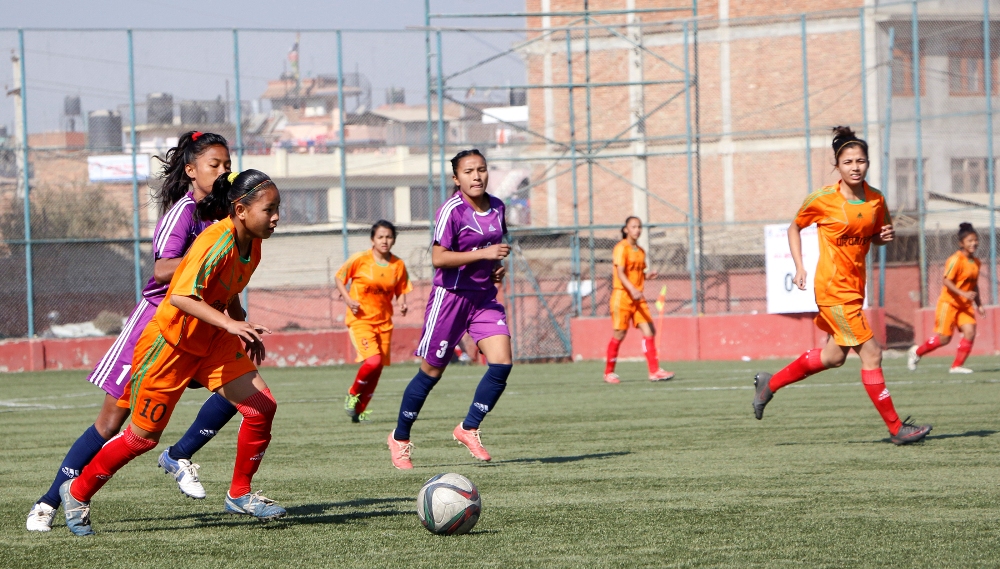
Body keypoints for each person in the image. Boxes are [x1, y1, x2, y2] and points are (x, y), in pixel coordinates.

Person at [26, 132, 240, 532]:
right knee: (111, 424)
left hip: (200, 325)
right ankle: (49, 502)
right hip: (155, 327)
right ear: (191, 170)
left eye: (228, 165)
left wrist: (235, 314)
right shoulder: (184, 212)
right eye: (216, 165)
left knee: (244, 393)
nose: (224, 171)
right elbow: (161, 270)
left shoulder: (224, 216)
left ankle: (179, 454)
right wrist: (202, 257)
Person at [59, 169, 284, 536]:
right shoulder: (216, 241)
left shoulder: (254, 242)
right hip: (171, 345)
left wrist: (240, 322)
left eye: (278, 208)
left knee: (262, 407)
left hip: (211, 340)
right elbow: (180, 295)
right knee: (142, 438)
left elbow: (227, 287)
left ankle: (239, 494)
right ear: (241, 209)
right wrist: (230, 324)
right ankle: (78, 491)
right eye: (269, 209)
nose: (276, 217)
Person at [752, 126, 932, 445]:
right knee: (872, 354)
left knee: (834, 357)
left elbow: (872, 236)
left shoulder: (876, 200)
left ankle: (769, 384)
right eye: (848, 161)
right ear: (838, 165)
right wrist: (799, 267)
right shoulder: (823, 199)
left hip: (854, 289)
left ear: (867, 163)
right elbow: (794, 228)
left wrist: (881, 238)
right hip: (833, 290)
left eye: (860, 160)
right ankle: (896, 429)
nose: (855, 166)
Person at [387, 149, 512, 469]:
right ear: (456, 179)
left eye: (481, 169)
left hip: (483, 297)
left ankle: (469, 427)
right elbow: (439, 258)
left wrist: (497, 267)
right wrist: (485, 255)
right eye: (468, 171)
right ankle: (400, 438)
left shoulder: (498, 207)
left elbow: (495, 252)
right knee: (432, 372)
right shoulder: (451, 211)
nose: (477, 176)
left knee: (501, 364)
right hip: (451, 299)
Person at [336, 219, 412, 422]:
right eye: (380, 237)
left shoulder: (398, 265)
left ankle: (359, 411)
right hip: (360, 320)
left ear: (394, 240)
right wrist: (348, 299)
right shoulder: (359, 259)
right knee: (373, 361)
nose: (385, 241)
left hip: (384, 322)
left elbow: (401, 289)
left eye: (389, 237)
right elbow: (339, 278)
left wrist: (403, 303)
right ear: (372, 239)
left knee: (377, 368)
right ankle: (353, 394)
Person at [603, 216, 674, 384]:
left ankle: (654, 371)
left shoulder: (640, 251)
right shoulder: (621, 248)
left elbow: (637, 274)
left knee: (649, 330)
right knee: (619, 334)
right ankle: (608, 373)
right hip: (622, 296)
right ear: (626, 229)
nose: (637, 230)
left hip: (637, 298)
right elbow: (621, 273)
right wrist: (632, 289)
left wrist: (646, 276)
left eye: (639, 227)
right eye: (633, 227)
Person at [908, 223, 985, 373]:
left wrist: (979, 304)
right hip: (948, 303)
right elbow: (946, 280)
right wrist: (963, 293)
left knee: (970, 332)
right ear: (961, 243)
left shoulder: (976, 262)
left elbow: (974, 285)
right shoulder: (955, 259)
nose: (973, 243)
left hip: (965, 306)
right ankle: (916, 352)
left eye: (975, 240)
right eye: (969, 241)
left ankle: (956, 366)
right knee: (944, 339)